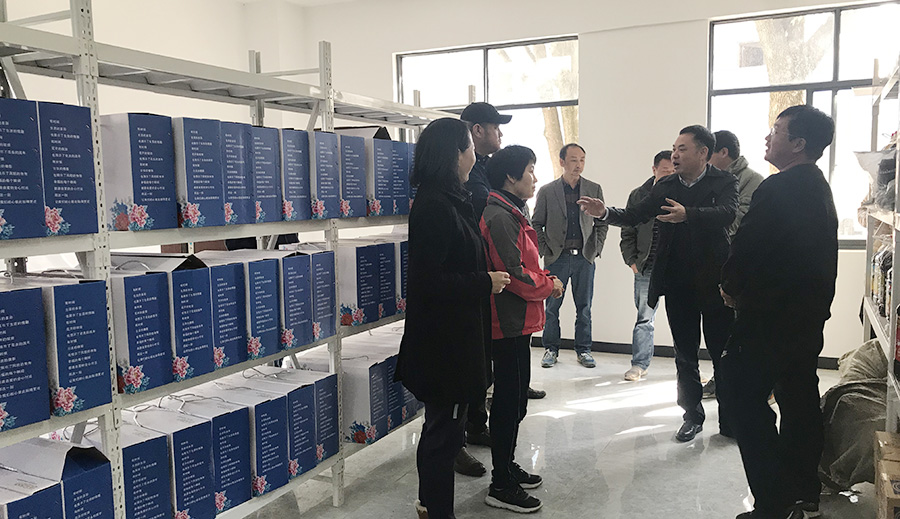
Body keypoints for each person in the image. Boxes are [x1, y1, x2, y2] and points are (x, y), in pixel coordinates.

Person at [577, 125, 737, 442]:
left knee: (723, 355)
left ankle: (730, 419)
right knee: (685, 356)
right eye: (674, 148)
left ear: (703, 152)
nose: (675, 155)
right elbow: (634, 214)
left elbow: (728, 213)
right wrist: (604, 212)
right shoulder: (665, 185)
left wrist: (688, 214)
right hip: (678, 283)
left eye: (682, 149)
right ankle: (691, 416)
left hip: (716, 283)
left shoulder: (724, 181)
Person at [720, 106, 837, 519]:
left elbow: (748, 246)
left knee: (741, 396)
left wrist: (730, 287)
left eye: (777, 130)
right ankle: (803, 491)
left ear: (799, 143)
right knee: (799, 396)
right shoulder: (818, 186)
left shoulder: (779, 187)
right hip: (806, 317)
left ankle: (774, 502)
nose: (768, 138)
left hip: (769, 318)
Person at [395, 118, 510, 519]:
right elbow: (429, 282)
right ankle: (437, 510)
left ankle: (430, 505)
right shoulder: (434, 206)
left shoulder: (449, 199)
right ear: (455, 154)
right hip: (444, 344)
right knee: (443, 435)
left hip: (456, 336)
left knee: (443, 429)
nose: (475, 156)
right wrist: (485, 281)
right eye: (470, 149)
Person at [480, 145, 563, 513]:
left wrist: (544, 278)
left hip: (519, 320)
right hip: (506, 321)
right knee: (507, 402)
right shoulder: (500, 217)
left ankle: (507, 465)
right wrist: (549, 285)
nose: (535, 177)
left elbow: (525, 264)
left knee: (516, 402)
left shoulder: (513, 212)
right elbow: (512, 274)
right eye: (530, 170)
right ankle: (500, 483)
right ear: (510, 177)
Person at [533, 143, 608, 369]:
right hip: (557, 257)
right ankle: (551, 349)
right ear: (562, 162)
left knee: (584, 307)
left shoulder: (594, 188)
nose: (579, 165)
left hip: (584, 257)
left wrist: (595, 249)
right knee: (551, 307)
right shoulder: (547, 191)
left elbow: (602, 222)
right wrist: (545, 249)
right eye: (574, 160)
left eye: (582, 160)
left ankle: (583, 350)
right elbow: (536, 223)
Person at [701, 130, 764, 398]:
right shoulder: (711, 180)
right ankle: (723, 379)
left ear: (723, 152)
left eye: (708, 154)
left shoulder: (752, 180)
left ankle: (753, 385)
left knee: (740, 331)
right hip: (718, 267)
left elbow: (739, 222)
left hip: (741, 270)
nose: (704, 161)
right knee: (720, 331)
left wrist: (701, 218)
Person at [620, 150, 675, 381]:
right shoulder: (639, 195)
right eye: (665, 171)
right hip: (645, 266)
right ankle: (639, 365)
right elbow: (627, 230)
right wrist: (632, 261)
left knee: (682, 318)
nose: (670, 176)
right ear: (654, 170)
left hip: (675, 266)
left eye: (673, 171)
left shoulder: (682, 193)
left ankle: (687, 366)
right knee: (644, 318)